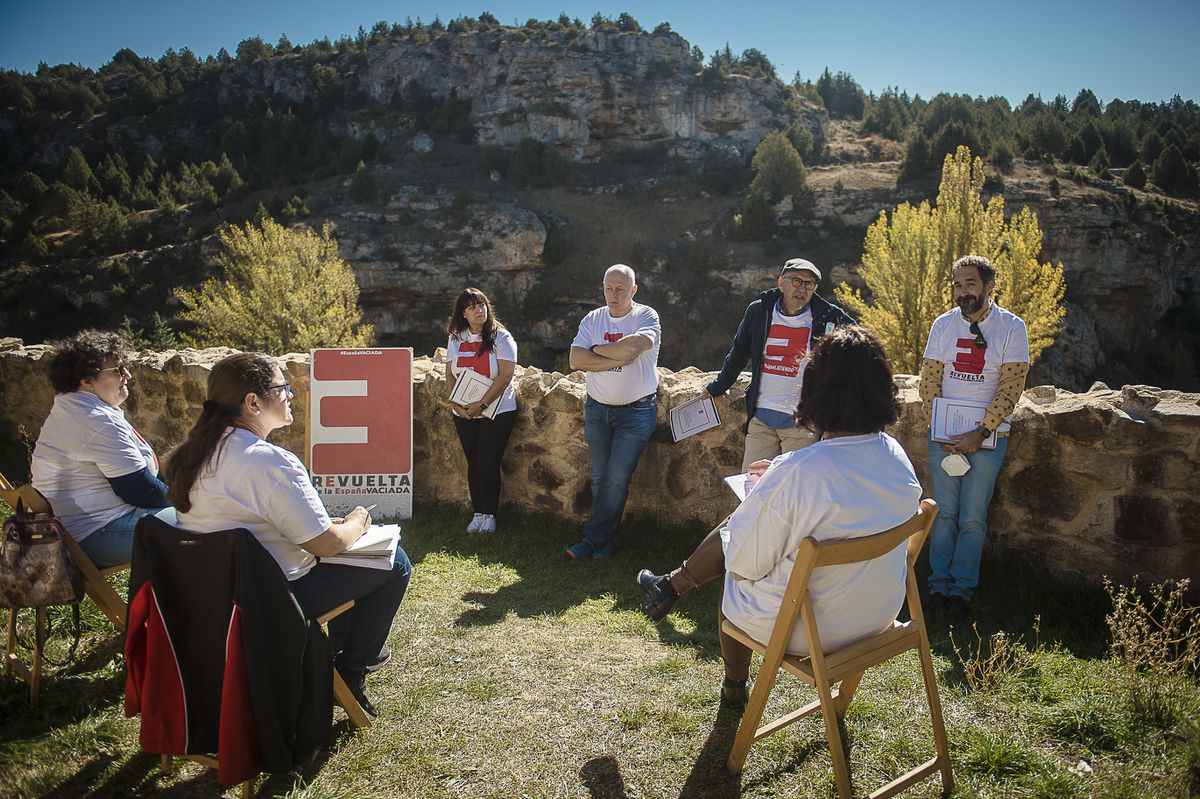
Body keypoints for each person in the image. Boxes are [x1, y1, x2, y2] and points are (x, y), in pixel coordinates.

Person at [637, 327, 920, 706]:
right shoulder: (895, 455)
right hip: (879, 613)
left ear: (817, 390)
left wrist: (771, 488)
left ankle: (734, 685)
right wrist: (780, 478)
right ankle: (670, 586)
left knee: (733, 577)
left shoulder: (801, 472)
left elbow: (742, 562)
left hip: (815, 630)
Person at [164, 352, 412, 718]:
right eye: (284, 388)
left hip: (207, 599)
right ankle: (349, 668)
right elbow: (327, 544)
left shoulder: (192, 454)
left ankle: (346, 660)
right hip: (268, 602)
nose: (291, 395)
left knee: (358, 560)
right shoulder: (270, 461)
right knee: (394, 562)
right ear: (253, 402)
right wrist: (359, 521)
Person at [919, 255, 1029, 619]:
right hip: (945, 438)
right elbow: (930, 380)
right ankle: (938, 587)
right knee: (945, 514)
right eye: (957, 284)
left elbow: (1011, 387)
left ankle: (961, 591)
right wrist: (941, 429)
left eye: (970, 284)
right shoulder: (943, 325)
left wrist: (979, 432)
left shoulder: (1012, 327)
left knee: (972, 518)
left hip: (987, 438)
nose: (962, 291)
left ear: (988, 286)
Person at [31, 329, 176, 568]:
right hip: (95, 535)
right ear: (86, 381)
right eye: (118, 370)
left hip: (80, 530)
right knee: (213, 521)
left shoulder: (74, 407)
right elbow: (140, 491)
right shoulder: (95, 419)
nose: (127, 375)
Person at [703, 258, 855, 471]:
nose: (802, 288)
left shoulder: (827, 316)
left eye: (808, 284)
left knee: (796, 493)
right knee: (753, 489)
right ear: (781, 282)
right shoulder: (760, 311)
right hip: (762, 420)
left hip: (803, 424)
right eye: (796, 281)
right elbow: (739, 352)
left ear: (815, 288)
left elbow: (859, 345)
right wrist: (716, 387)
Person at [565, 264, 661, 560]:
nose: (613, 295)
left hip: (636, 413)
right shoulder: (593, 319)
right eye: (608, 288)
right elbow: (574, 359)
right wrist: (615, 354)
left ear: (633, 290)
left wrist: (595, 351)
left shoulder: (646, 316)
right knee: (599, 477)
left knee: (616, 478)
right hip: (597, 410)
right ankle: (608, 540)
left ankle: (592, 540)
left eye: (620, 289)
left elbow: (632, 350)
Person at [445, 288, 518, 534]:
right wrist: (456, 403)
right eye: (472, 307)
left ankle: (490, 515)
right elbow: (449, 373)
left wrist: (483, 404)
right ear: (463, 313)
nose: (479, 310)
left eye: (482, 305)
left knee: (488, 463)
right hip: (464, 411)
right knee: (473, 463)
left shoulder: (502, 337)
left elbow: (506, 375)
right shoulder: (456, 337)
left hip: (497, 409)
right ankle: (477, 513)